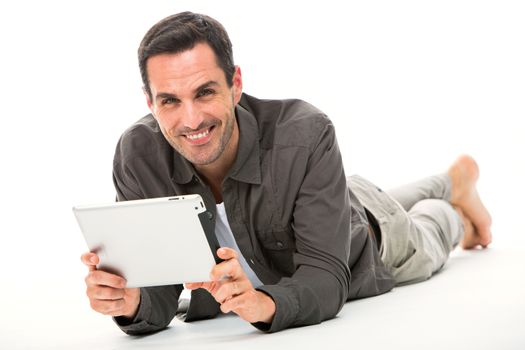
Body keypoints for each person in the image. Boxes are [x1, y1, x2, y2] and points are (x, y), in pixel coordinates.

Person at [81, 11, 492, 334]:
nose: (191, 120)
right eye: (170, 100)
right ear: (150, 102)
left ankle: (455, 206)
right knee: (364, 195)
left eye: (204, 92)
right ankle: (452, 178)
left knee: (429, 229)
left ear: (235, 83)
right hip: (331, 196)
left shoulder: (305, 133)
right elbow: (159, 290)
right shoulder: (137, 155)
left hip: (367, 236)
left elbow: (327, 278)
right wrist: (130, 301)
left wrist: (266, 304)